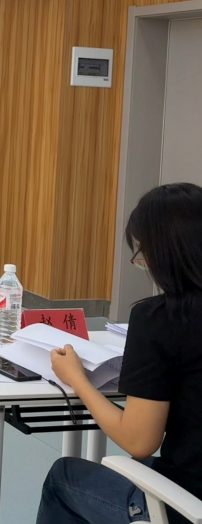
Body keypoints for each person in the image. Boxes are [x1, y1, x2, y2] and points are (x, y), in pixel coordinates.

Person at [37, 182, 202, 524]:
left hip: (189, 506)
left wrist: (78, 380)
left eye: (143, 253)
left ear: (165, 254)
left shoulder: (162, 319)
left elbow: (139, 441)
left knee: (63, 477)